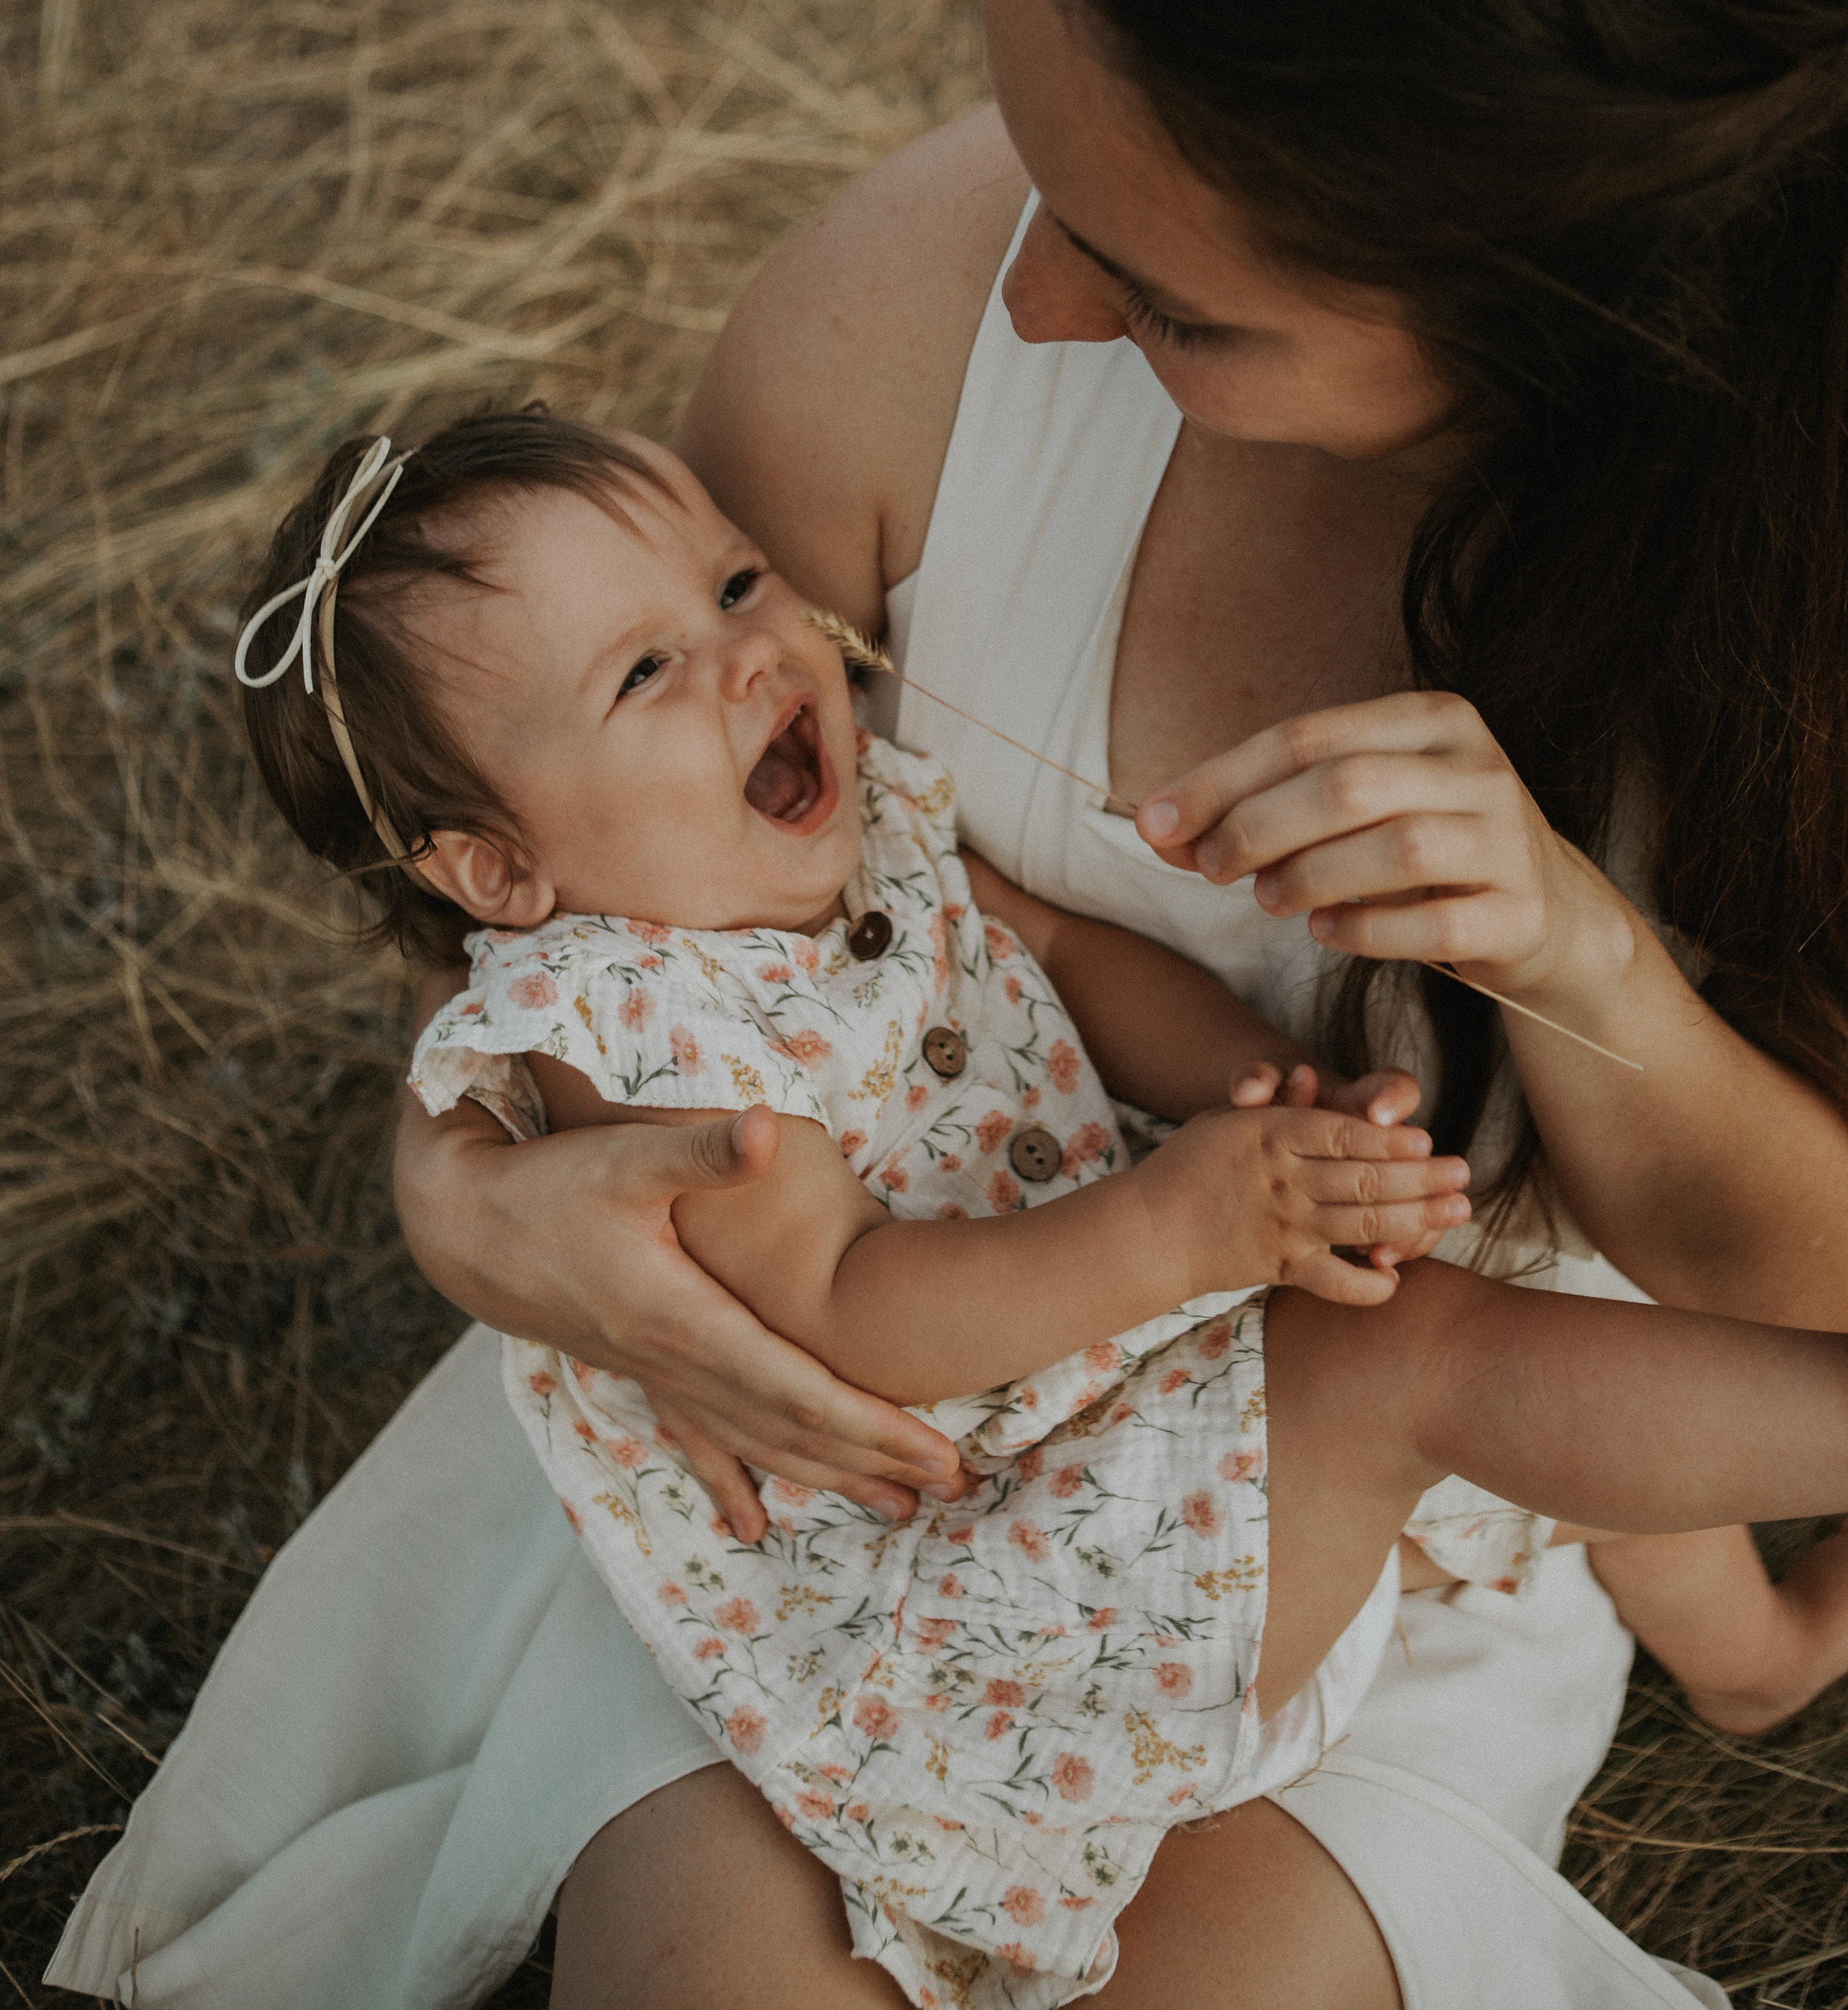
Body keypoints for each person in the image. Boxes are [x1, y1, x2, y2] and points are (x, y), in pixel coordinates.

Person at [48, 0, 1848, 2010]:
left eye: (1173, 290)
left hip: (1361, 1449)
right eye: (1037, 152)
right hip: (838, 1501)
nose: (1032, 283)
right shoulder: (924, 309)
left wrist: (1587, 973)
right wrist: (467, 1207)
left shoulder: (1777, 613)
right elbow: (599, 928)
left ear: (1550, 297)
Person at [236, 410, 1848, 2010]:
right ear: (498, 878)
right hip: (973, 1570)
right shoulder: (641, 1039)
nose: (749, 656)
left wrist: (1254, 1088)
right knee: (1418, 1357)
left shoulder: (856, 828)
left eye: (734, 587)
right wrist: (1178, 1228)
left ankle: (1748, 1655)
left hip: (1098, 1374)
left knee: (1494, 1321)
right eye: (641, 675)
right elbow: (851, 1314)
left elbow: (1064, 956)